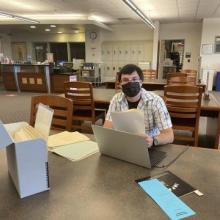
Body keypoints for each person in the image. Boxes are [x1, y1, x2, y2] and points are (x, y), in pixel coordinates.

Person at [103, 64, 174, 147]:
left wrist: (153, 141)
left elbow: (169, 135)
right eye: (125, 80)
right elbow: (107, 128)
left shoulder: (156, 101)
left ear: (141, 82)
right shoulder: (116, 100)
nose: (130, 83)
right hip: (124, 145)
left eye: (134, 79)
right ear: (120, 84)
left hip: (150, 147)